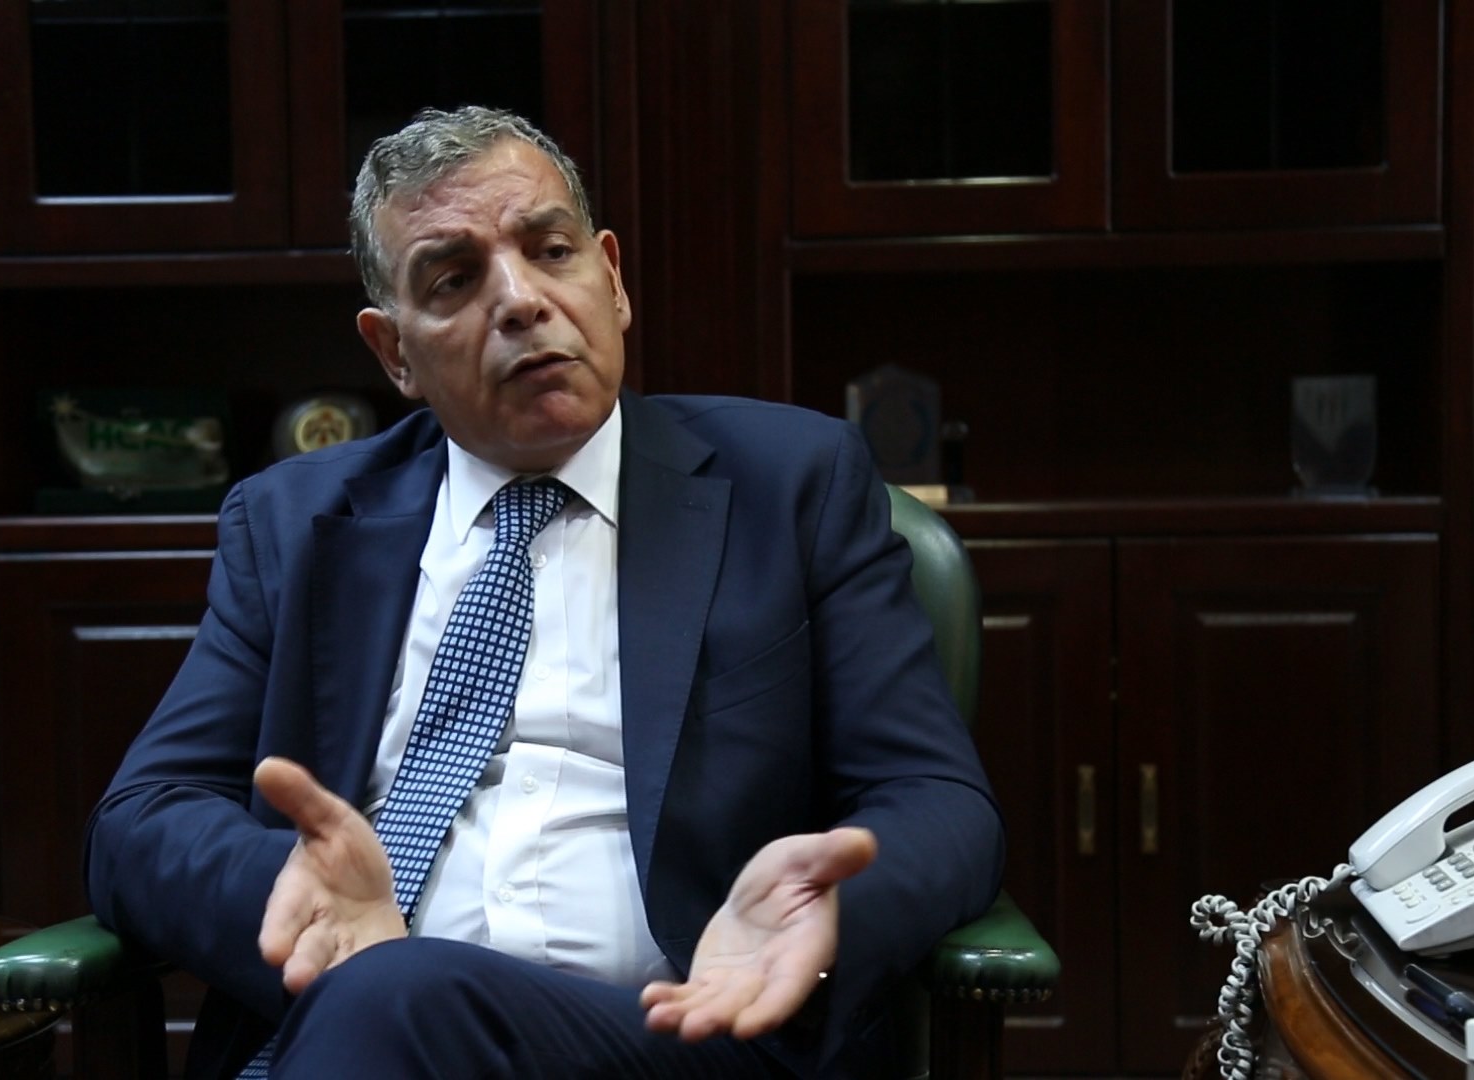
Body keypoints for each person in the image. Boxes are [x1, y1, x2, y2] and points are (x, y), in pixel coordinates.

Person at [84, 105, 1003, 1079]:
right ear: (394, 354)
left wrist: (828, 908)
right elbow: (140, 820)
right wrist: (286, 887)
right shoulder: (295, 523)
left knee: (398, 993)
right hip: (358, 1025)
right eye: (453, 279)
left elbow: (939, 800)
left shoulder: (792, 483)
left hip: (683, 1033)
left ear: (611, 279)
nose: (521, 301)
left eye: (551, 251)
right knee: (388, 996)